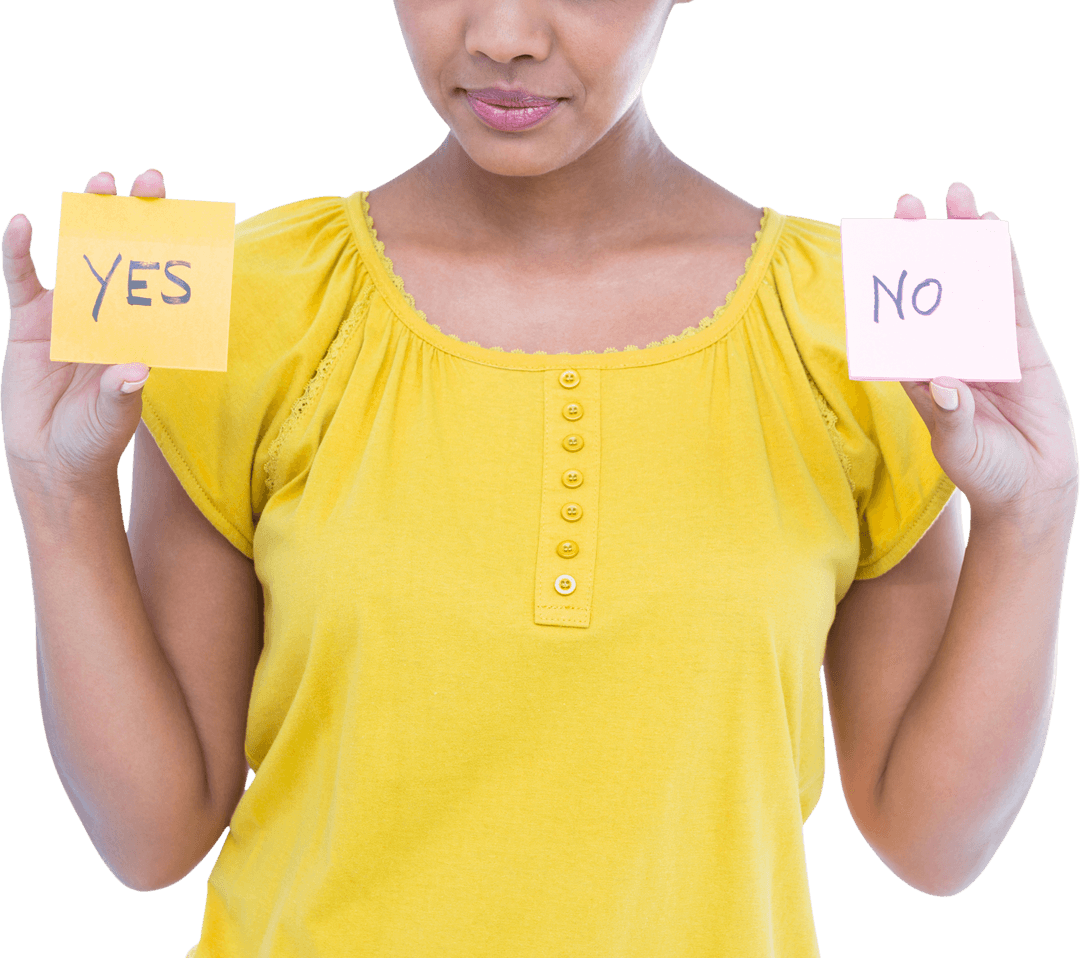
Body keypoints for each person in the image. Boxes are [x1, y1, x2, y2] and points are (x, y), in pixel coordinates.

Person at [2, 2, 1076, 956]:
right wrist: (61, 492)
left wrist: (1032, 513)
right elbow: (149, 841)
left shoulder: (849, 330)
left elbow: (934, 846)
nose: (503, 32)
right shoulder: (250, 304)